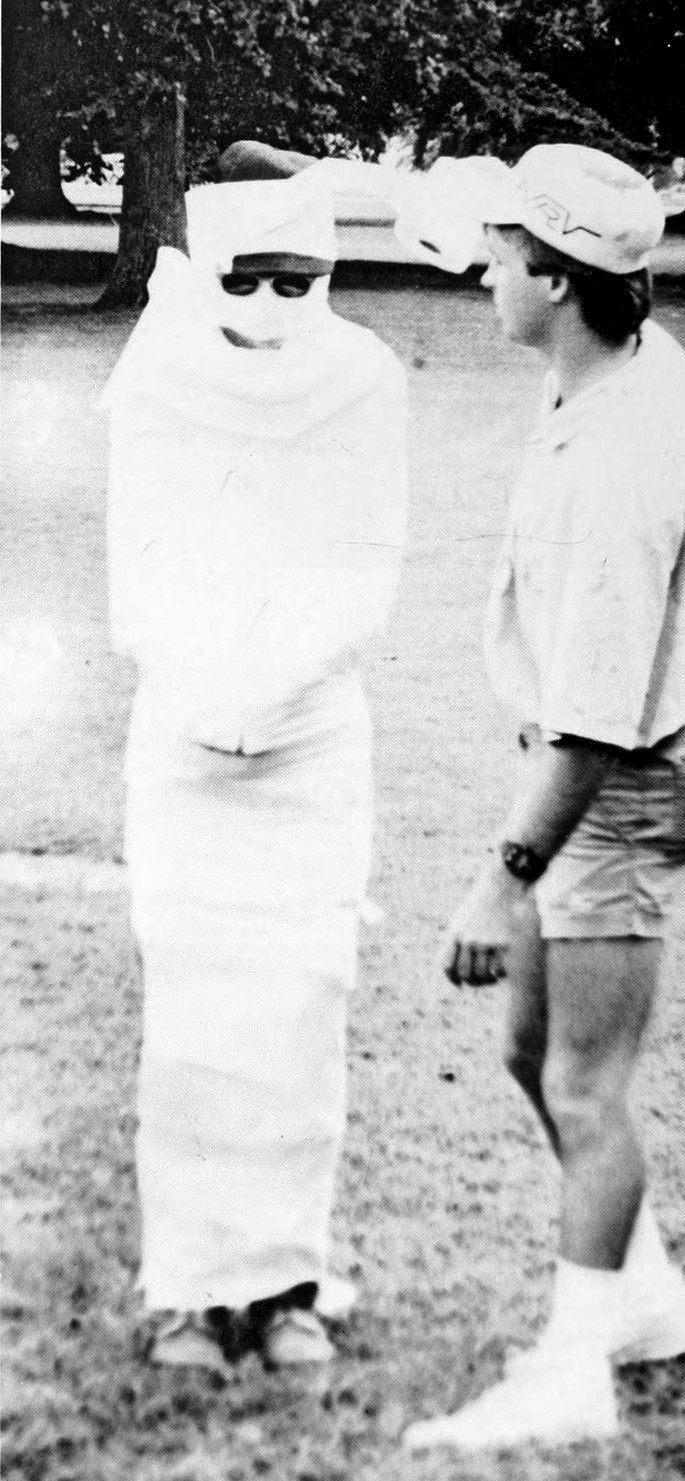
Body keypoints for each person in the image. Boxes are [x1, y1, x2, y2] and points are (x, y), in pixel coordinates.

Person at [393, 144, 685, 1451]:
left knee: (583, 1086)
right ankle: (643, 1302)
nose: (484, 272)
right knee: (535, 1056)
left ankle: (575, 1368)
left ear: (555, 281)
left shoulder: (615, 466)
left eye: (503, 256)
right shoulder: (626, 355)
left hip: (612, 784)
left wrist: (499, 879)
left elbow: (592, 720)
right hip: (595, 764)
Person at [103, 162, 408, 1376]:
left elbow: (365, 564)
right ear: (209, 267)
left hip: (311, 734)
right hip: (184, 728)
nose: (276, 305)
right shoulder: (160, 375)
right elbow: (141, 564)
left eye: (299, 280)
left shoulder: (364, 376)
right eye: (249, 280)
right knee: (191, 1015)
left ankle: (285, 1283)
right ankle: (187, 1289)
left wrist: (277, 686)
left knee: (298, 1007)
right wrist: (205, 693)